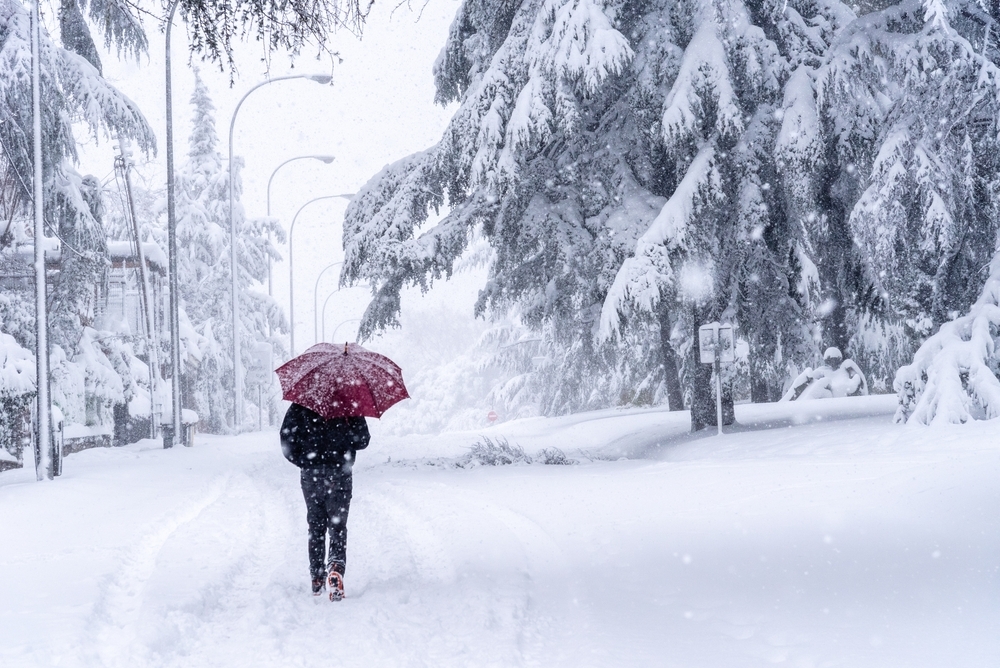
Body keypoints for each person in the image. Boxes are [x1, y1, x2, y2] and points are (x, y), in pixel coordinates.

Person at [280, 402, 370, 601]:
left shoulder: (301, 404)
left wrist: (303, 461)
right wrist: (346, 433)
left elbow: (286, 439)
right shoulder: (349, 404)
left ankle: (317, 577)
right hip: (340, 472)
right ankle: (336, 567)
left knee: (316, 525)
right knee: (337, 525)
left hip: (311, 475)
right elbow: (363, 440)